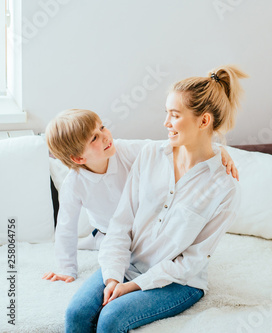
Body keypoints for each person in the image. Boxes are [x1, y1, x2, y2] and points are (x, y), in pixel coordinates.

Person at [64, 64, 247, 332]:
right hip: (129, 263)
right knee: (76, 313)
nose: (166, 123)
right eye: (166, 113)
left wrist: (133, 286)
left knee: (112, 319)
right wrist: (114, 276)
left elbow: (193, 261)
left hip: (179, 282)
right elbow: (120, 224)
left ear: (204, 121)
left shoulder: (225, 187)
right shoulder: (149, 155)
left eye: (174, 115)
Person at [42, 109, 238, 283]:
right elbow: (66, 227)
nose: (104, 136)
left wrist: (216, 150)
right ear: (79, 158)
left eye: (102, 127)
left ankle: (93, 242)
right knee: (113, 253)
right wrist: (67, 270)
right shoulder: (74, 184)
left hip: (142, 228)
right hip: (110, 232)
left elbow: (169, 146)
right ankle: (93, 241)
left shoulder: (124, 150)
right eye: (94, 138)